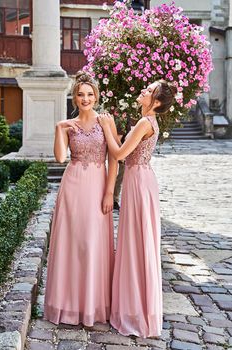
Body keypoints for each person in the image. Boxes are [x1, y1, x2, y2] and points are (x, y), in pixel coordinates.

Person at [99, 79, 177, 338]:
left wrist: (107, 126)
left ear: (155, 101)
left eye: (149, 90)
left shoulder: (145, 122)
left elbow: (119, 154)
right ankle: (137, 308)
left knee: (136, 242)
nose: (143, 90)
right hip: (140, 179)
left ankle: (135, 312)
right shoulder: (147, 121)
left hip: (138, 181)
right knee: (138, 242)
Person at [44, 71, 118, 326]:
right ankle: (68, 305)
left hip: (97, 186)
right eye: (80, 94)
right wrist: (59, 128)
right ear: (74, 98)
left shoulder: (106, 121)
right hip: (73, 185)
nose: (85, 98)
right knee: (71, 244)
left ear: (96, 97)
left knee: (92, 243)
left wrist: (110, 192)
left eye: (89, 94)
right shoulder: (68, 125)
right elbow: (59, 158)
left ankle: (93, 306)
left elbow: (114, 158)